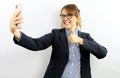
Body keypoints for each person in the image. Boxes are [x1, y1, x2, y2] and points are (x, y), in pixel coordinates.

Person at [10, 4, 107, 78]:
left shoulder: (85, 37)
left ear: (77, 18)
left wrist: (80, 40)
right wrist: (16, 32)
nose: (65, 18)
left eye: (69, 15)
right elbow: (36, 44)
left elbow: (102, 52)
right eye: (63, 16)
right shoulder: (56, 34)